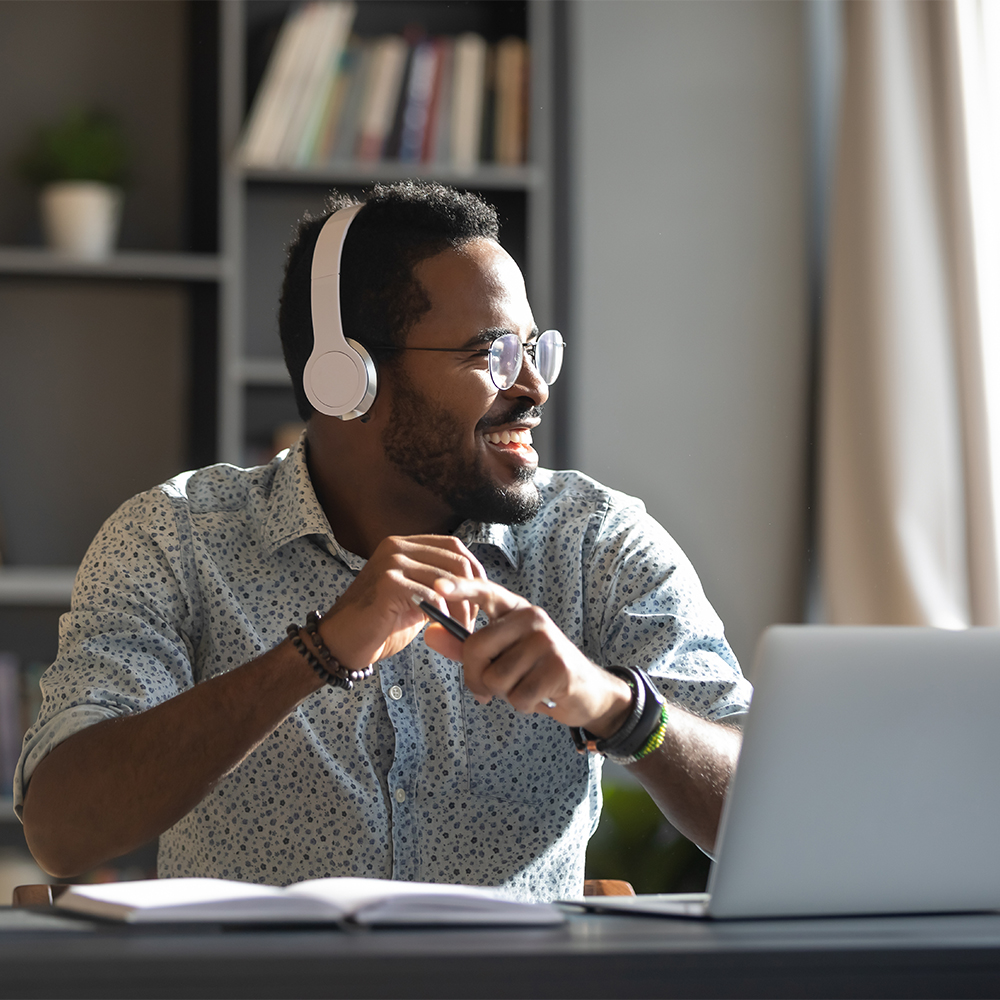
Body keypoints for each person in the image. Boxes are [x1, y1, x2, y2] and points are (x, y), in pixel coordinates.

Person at [16, 181, 751, 901]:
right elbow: (61, 828)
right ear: (349, 380)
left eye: (534, 349)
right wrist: (317, 654)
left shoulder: (596, 542)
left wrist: (620, 707)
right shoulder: (176, 539)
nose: (534, 387)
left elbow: (775, 804)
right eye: (492, 353)